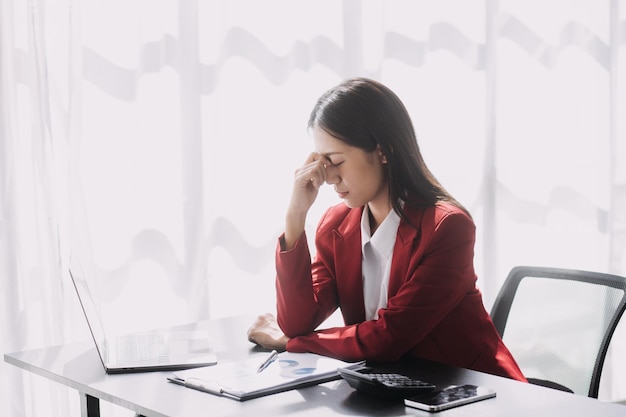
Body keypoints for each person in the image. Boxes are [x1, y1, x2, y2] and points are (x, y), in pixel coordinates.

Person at [247, 77, 526, 381]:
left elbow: (389, 337)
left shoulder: (447, 227)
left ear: (383, 151)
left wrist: (293, 344)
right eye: (321, 162)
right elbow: (297, 322)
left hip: (475, 391)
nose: (328, 178)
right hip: (394, 391)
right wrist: (295, 216)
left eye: (335, 161)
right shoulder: (335, 226)